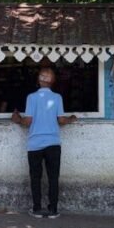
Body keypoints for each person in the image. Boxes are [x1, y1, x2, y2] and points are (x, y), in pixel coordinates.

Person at [11, 67, 77, 219]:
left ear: (38, 80)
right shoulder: (57, 98)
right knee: (53, 178)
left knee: (36, 178)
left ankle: (37, 209)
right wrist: (71, 118)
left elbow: (27, 122)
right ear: (53, 81)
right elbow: (61, 120)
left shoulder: (31, 97)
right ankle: (53, 210)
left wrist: (17, 119)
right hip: (53, 143)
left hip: (35, 144)